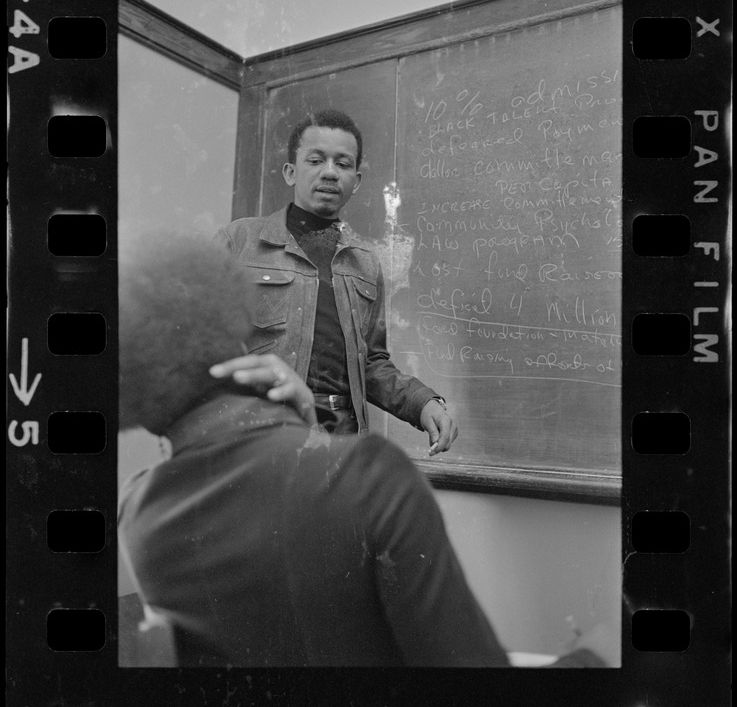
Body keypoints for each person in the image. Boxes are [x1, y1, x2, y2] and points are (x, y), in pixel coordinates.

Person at [117, 231, 613, 668]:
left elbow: (369, 365)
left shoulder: (139, 514)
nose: (330, 172)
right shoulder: (370, 478)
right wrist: (596, 655)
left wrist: (308, 422)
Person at [214, 109, 457, 452]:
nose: (329, 172)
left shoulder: (365, 264)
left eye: (342, 164)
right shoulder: (238, 241)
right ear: (290, 172)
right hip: (259, 438)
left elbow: (371, 363)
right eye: (315, 160)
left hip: (342, 442)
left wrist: (423, 403)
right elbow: (199, 346)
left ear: (355, 182)